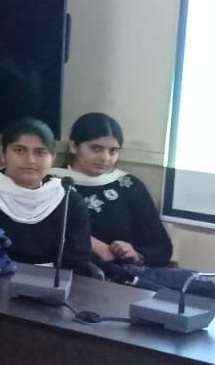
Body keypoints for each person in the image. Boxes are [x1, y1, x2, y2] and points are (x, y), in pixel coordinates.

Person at [60, 112, 210, 295]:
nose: (105, 158)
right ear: (74, 146)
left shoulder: (129, 186)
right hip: (78, 280)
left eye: (113, 151)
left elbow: (161, 246)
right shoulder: (53, 185)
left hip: (131, 279)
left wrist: (137, 255)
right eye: (96, 148)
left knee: (202, 290)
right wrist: (90, 243)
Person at [0, 118, 91, 274]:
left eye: (40, 152)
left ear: (53, 158)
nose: (30, 160)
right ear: (2, 154)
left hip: (49, 281)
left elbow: (77, 261)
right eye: (19, 151)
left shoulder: (67, 198)